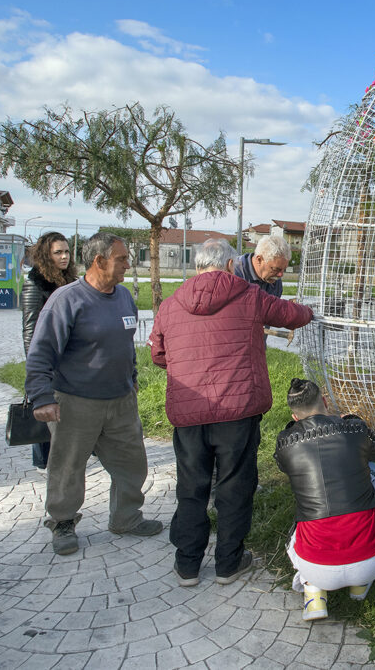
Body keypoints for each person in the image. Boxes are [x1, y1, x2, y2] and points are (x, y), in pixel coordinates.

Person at [149, 239, 313, 587]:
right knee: (234, 485)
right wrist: (309, 311)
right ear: (228, 266)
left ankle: (187, 564)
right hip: (237, 411)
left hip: (189, 414)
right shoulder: (249, 295)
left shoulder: (170, 304)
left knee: (192, 486)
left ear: (196, 267)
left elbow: (158, 355)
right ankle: (229, 562)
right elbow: (291, 315)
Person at [26, 231, 163, 556]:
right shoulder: (67, 300)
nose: (128, 265)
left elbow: (125, 345)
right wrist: (42, 396)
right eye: (122, 259)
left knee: (132, 463)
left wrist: (131, 377)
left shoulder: (123, 296)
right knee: (68, 466)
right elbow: (41, 351)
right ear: (99, 261)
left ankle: (125, 518)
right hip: (75, 401)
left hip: (120, 400)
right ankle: (62, 522)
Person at [274, 378, 375, 621]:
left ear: (295, 417)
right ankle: (360, 585)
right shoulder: (355, 430)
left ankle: (314, 594)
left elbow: (281, 465)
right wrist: (351, 421)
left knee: (298, 531)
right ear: (326, 402)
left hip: (316, 566)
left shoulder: (286, 442)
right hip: (372, 559)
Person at [21, 231, 78, 470]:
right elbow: (29, 331)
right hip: (49, 361)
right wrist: (38, 368)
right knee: (47, 412)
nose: (64, 257)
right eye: (58, 253)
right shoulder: (35, 283)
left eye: (66, 252)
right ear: (46, 255)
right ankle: (45, 462)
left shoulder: (70, 281)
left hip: (71, 360)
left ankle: (71, 455)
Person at [233, 234, 291, 298]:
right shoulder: (233, 274)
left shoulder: (275, 281)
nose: (280, 275)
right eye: (275, 269)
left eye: (284, 269)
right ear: (259, 259)